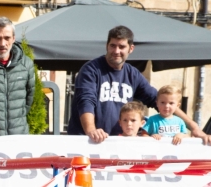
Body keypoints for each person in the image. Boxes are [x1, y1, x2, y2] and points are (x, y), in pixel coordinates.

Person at [68, 25, 209, 144]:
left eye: (122, 46)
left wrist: (194, 127)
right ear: (107, 46)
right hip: (88, 143)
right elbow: (86, 101)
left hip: (120, 143)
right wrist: (91, 130)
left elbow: (160, 100)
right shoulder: (91, 69)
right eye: (112, 46)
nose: (116, 51)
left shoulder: (133, 74)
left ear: (131, 48)